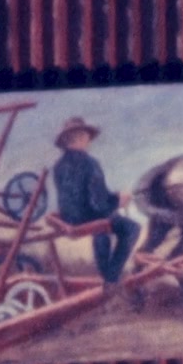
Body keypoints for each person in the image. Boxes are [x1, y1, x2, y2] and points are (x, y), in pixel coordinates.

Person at [52, 116, 141, 285]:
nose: (88, 140)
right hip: (88, 218)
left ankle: (106, 275)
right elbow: (99, 204)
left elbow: (81, 196)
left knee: (103, 228)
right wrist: (118, 201)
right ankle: (111, 276)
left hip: (69, 218)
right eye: (86, 135)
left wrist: (114, 197)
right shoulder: (90, 163)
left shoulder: (58, 166)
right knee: (132, 228)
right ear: (79, 137)